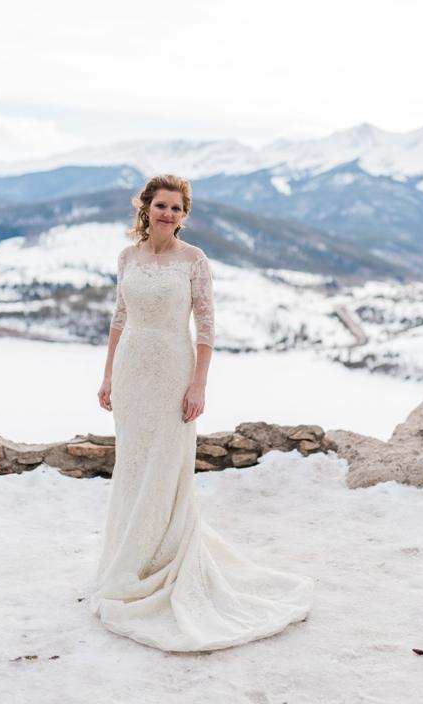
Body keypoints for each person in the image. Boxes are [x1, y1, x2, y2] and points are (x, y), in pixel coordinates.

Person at [87, 173, 315, 651]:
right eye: (162, 205)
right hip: (131, 372)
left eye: (178, 208)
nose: (169, 214)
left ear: (184, 216)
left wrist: (198, 384)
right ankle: (128, 560)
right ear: (146, 208)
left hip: (173, 372)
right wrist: (107, 376)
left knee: (166, 466)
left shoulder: (194, 261)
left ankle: (166, 557)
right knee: (132, 465)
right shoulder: (127, 257)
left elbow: (207, 327)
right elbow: (119, 319)